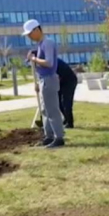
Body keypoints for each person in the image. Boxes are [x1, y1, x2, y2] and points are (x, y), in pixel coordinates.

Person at [22, 19, 65, 148]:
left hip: (49, 80)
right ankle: (49, 136)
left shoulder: (48, 43)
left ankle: (59, 137)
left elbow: (49, 62)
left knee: (52, 110)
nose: (29, 37)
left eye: (30, 33)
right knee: (45, 110)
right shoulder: (41, 44)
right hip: (43, 80)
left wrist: (34, 59)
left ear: (37, 30)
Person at [58, 56, 78, 128]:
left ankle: (70, 123)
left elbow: (57, 76)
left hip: (69, 80)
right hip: (62, 81)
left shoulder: (51, 61)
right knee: (58, 102)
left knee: (66, 102)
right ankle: (66, 119)